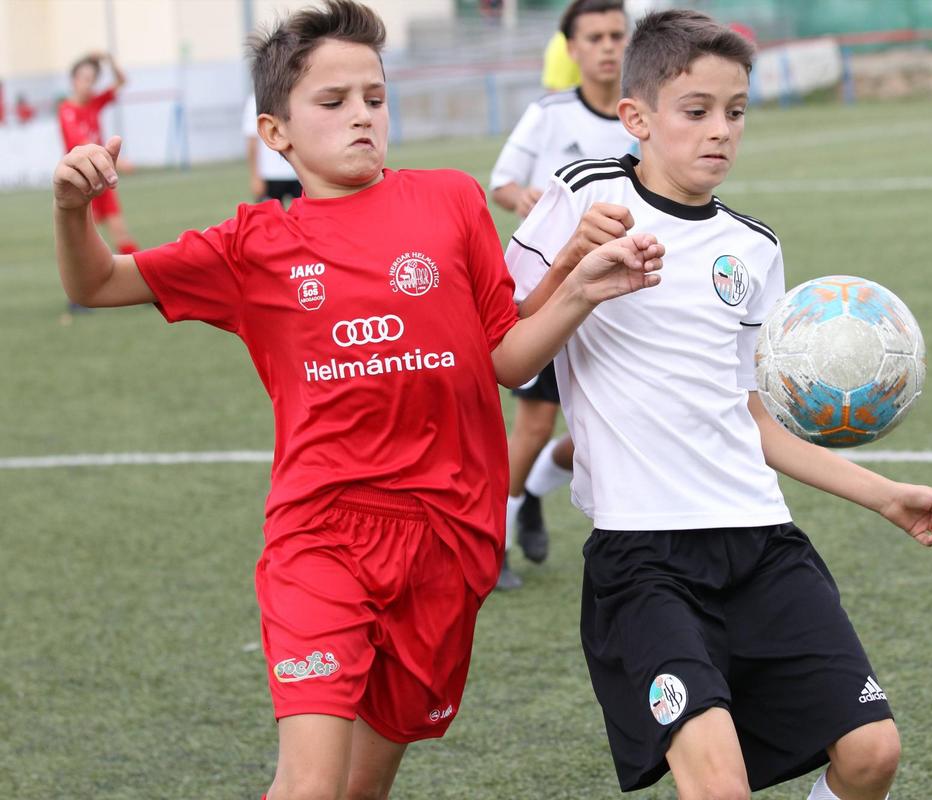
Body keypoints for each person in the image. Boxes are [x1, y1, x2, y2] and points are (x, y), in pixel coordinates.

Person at [50, 2, 663, 798]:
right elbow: (96, 281)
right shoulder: (252, 246)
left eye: (374, 97)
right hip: (323, 534)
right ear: (278, 134)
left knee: (359, 791)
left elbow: (504, 359)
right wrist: (71, 209)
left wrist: (577, 288)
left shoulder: (450, 200)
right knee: (308, 788)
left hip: (451, 538)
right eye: (333, 103)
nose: (362, 116)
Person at [506, 10, 932, 800]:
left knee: (872, 753)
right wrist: (580, 285)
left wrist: (886, 496)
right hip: (645, 559)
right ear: (637, 117)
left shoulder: (754, 247)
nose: (721, 130)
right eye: (697, 111)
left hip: (760, 544)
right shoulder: (586, 197)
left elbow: (752, 418)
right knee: (716, 783)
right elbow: (507, 356)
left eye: (737, 111)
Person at [490, 0, 635, 589]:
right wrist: (523, 197)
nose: (607, 47)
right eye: (595, 37)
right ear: (571, 49)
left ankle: (527, 496)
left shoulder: (642, 117)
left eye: (617, 35)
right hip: (553, 290)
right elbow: (500, 183)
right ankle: (492, 544)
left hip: (620, 298)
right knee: (534, 423)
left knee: (606, 425)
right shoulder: (549, 114)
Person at [58, 52, 139, 258]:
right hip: (80, 182)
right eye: (85, 78)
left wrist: (110, 59)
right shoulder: (67, 110)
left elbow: (122, 81)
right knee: (83, 242)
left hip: (100, 178)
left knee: (120, 232)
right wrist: (118, 162)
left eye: (92, 80)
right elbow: (82, 144)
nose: (89, 84)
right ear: (74, 80)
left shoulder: (94, 103)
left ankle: (139, 274)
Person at [243, 94, 302, 204]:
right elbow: (252, 143)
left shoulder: (297, 94)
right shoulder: (256, 101)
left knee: (306, 218)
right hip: (270, 174)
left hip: (299, 173)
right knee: (270, 219)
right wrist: (255, 177)